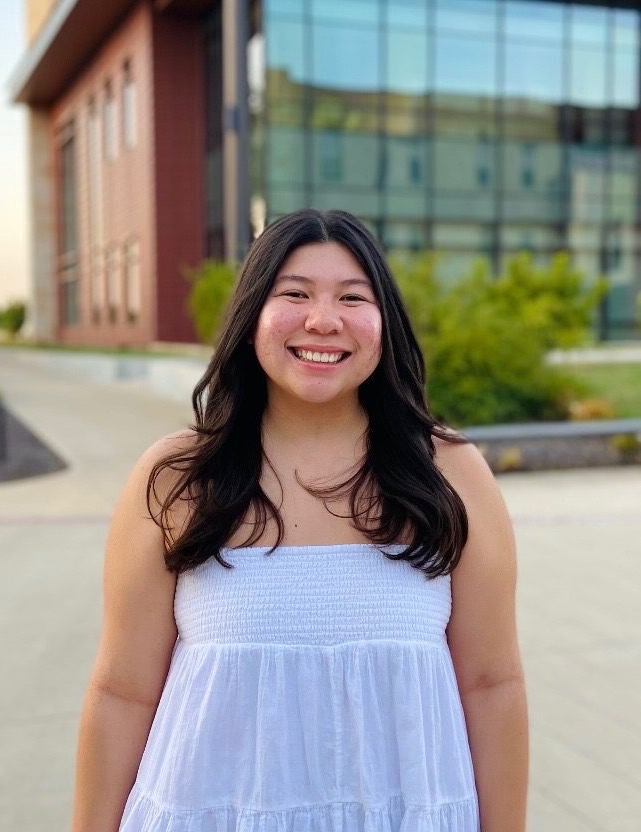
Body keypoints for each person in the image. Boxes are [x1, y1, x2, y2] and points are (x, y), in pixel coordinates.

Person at [71, 208, 528, 832]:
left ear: (383, 323)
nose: (323, 319)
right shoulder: (177, 477)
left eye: (352, 297)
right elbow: (121, 692)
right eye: (295, 293)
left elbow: (490, 682)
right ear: (251, 315)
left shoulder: (450, 472)